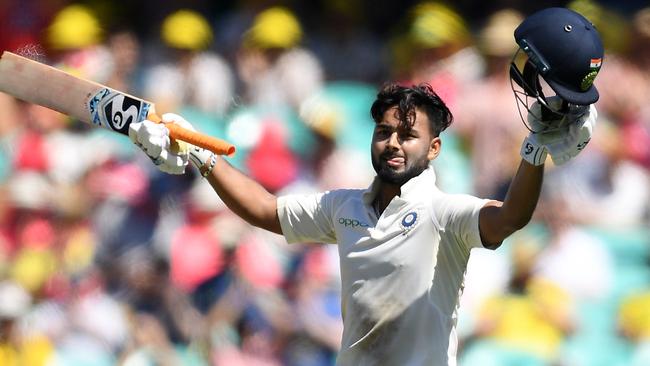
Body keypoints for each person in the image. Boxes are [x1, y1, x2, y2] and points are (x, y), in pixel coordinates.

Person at [128, 7, 603, 366]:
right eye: (384, 132)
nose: (394, 143)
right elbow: (264, 211)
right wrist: (200, 152)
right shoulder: (344, 207)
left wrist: (534, 150)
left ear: (434, 149)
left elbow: (509, 217)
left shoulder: (443, 212)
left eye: (409, 135)